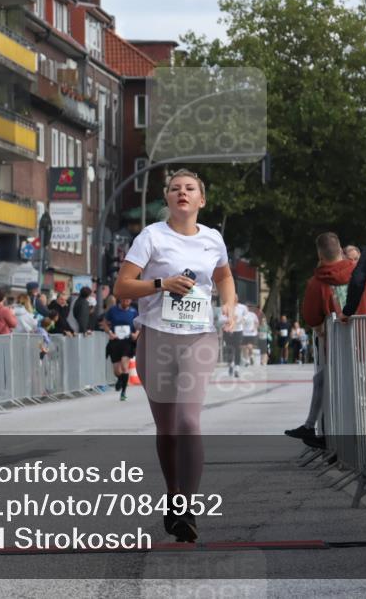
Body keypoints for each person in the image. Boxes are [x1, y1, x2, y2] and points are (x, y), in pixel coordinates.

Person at [114, 169, 237, 544]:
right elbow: (122, 286)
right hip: (157, 339)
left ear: (202, 200)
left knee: (187, 420)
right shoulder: (151, 236)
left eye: (190, 189)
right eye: (174, 189)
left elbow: (225, 277)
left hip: (198, 336)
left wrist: (230, 306)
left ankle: (186, 506)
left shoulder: (213, 239)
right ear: (167, 199)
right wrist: (160, 284)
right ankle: (173, 496)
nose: (182, 193)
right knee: (167, 429)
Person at [286, 232, 356, 442]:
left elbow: (310, 315)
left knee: (330, 390)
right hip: (363, 342)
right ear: (341, 249)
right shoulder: (359, 273)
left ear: (319, 253)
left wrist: (319, 327)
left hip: (333, 346)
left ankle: (333, 440)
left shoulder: (317, 282)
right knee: (360, 396)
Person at [102, 298, 139, 401]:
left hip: (127, 342)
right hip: (115, 341)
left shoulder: (133, 311)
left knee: (124, 365)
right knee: (117, 370)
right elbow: (104, 323)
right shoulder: (113, 310)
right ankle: (119, 379)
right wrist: (110, 333)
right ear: (120, 301)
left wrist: (136, 334)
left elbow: (139, 326)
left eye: (128, 300)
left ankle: (123, 392)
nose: (126, 302)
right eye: (125, 300)